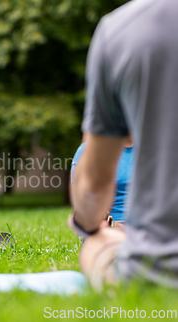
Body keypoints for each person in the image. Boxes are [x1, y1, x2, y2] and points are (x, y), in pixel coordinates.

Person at [69, 0, 178, 289]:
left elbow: (91, 194)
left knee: (95, 246)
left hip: (160, 267)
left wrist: (92, 229)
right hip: (124, 228)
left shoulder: (119, 29)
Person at [71, 136, 133, 225]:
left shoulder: (151, 150)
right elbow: (80, 200)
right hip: (106, 226)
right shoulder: (87, 150)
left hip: (143, 226)